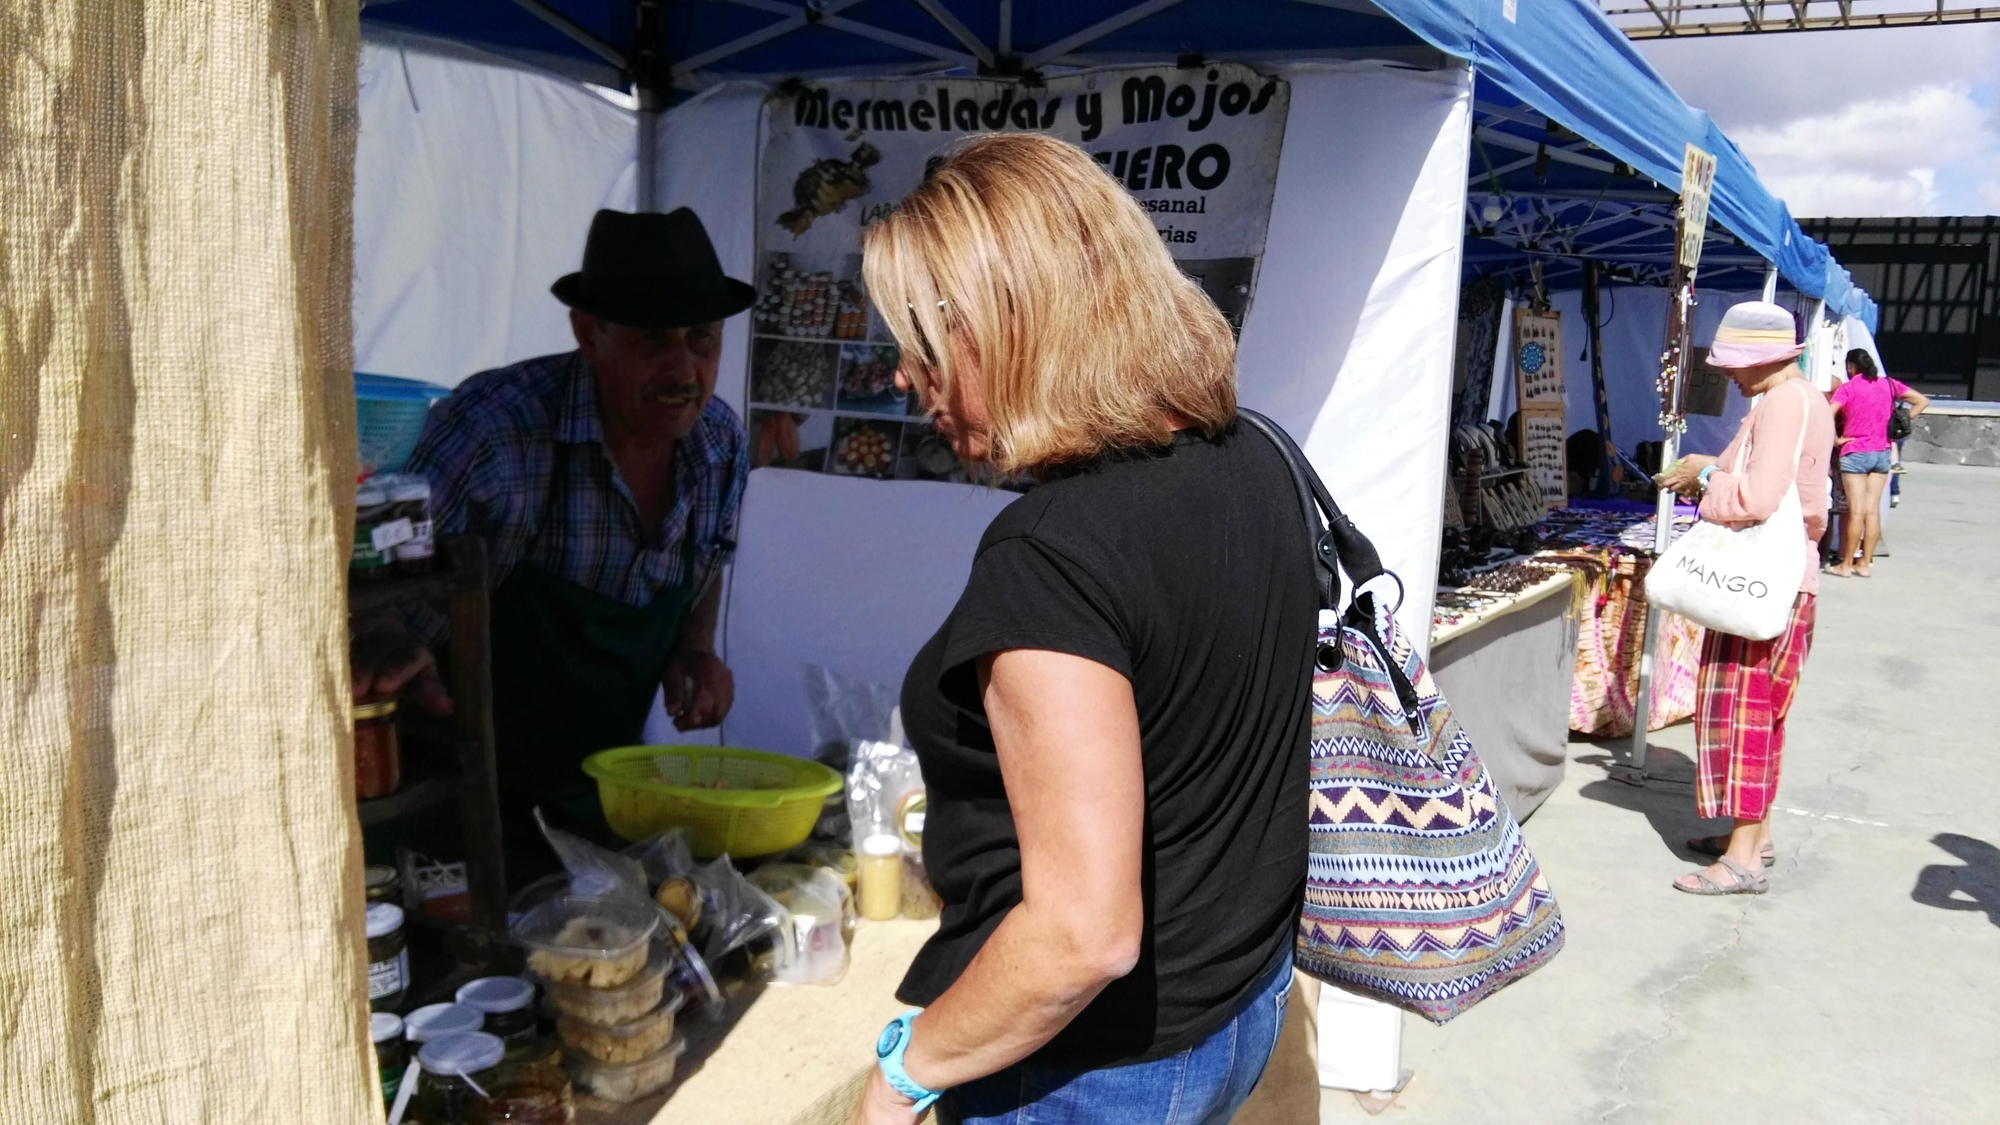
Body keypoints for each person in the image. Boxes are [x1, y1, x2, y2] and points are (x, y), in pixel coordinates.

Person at [849, 134, 1314, 1124]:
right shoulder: (1255, 454)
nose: (903, 377)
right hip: (1238, 1002)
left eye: (925, 345)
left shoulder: (1051, 559)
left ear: (1012, 327)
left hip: (1091, 1069)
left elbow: (1081, 932)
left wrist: (902, 1073)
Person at [350, 208, 754, 876]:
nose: (684, 368)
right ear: (589, 334)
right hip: (459, 807)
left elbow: (711, 559)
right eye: (654, 340)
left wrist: (695, 645)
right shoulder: (496, 433)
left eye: (702, 338)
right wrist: (378, 636)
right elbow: (373, 572)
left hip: (601, 805)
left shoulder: (719, 443)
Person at [1656, 301, 1836, 896]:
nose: (1729, 375)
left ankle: (1742, 860)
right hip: (1789, 582)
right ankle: (1752, 837)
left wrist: (1703, 479)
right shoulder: (1805, 397)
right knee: (1764, 717)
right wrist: (1708, 465)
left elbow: (1757, 499)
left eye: (1735, 364)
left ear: (1764, 357)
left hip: (1765, 585)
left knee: (1746, 718)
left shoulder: (1783, 402)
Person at [1827, 348, 1926, 576]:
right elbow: (1922, 401)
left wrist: (1835, 438)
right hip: (1882, 452)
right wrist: (1899, 421)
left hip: (1855, 451)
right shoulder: (1889, 385)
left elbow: (1828, 413)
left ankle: (1845, 564)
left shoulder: (1848, 388)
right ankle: (1865, 564)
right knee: (1872, 511)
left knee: (1856, 510)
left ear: (1851, 367)